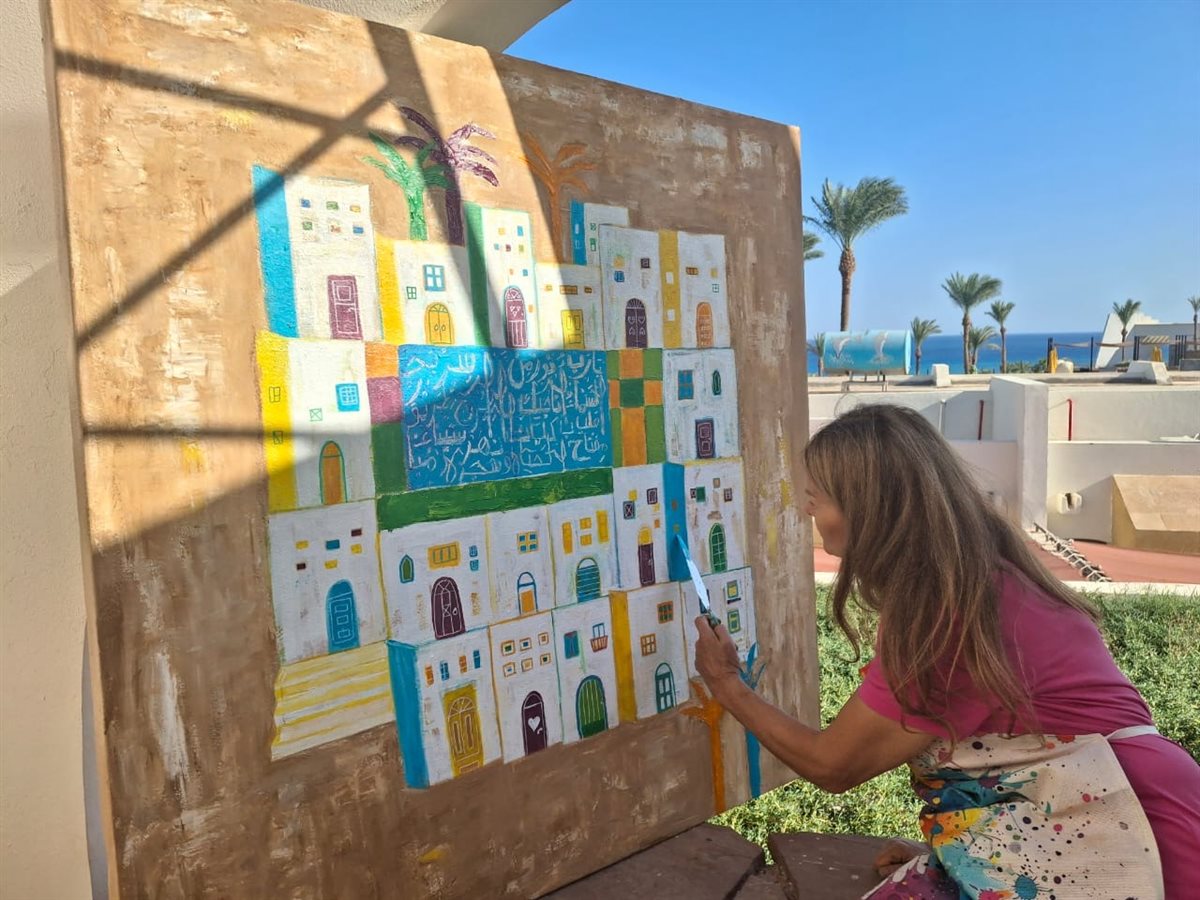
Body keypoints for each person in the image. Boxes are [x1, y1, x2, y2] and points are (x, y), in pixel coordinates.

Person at [693, 403, 1199, 899]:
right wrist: (960, 849)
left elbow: (834, 765)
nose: (808, 510)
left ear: (866, 510)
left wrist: (727, 685)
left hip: (1133, 844)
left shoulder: (946, 613)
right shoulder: (983, 576)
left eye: (816, 497)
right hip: (1114, 819)